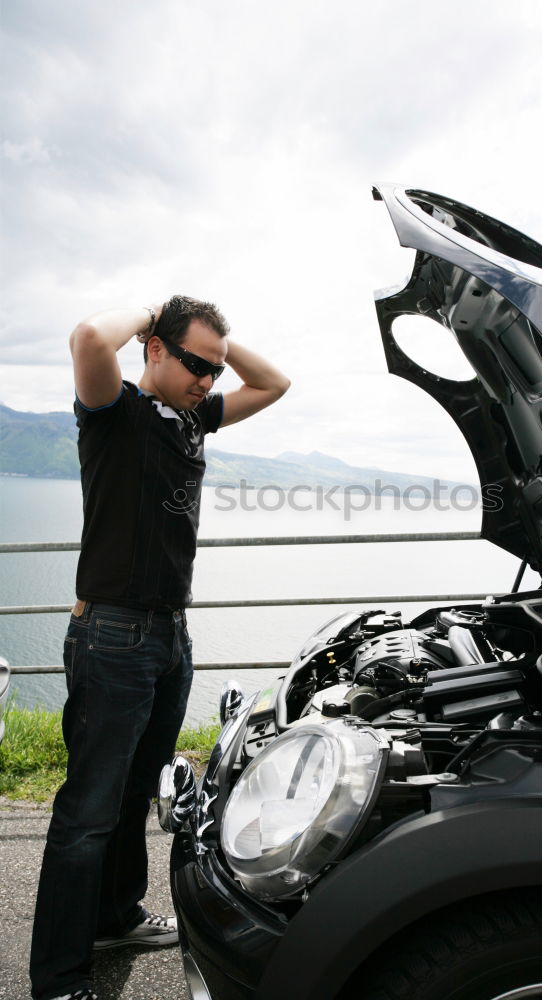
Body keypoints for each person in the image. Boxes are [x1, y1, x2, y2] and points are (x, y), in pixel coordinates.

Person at [30, 295, 290, 1000]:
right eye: (194, 363)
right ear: (152, 349)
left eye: (214, 367)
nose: (209, 378)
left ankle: (115, 917)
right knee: (87, 812)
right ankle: (57, 979)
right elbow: (87, 337)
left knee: (138, 792)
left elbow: (274, 385)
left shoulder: (194, 419)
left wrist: (215, 352)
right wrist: (148, 312)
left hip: (170, 637)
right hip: (113, 636)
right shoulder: (114, 412)